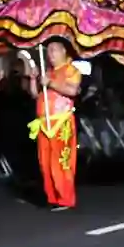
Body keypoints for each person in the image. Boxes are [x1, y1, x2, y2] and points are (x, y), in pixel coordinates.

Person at [31, 38, 81, 210]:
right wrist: (33, 79)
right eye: (48, 51)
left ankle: (65, 198)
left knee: (61, 162)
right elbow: (34, 94)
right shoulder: (47, 72)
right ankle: (52, 197)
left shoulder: (71, 70)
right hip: (44, 123)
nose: (50, 54)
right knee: (44, 163)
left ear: (63, 51)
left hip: (61, 122)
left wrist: (50, 83)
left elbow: (73, 90)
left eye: (54, 50)